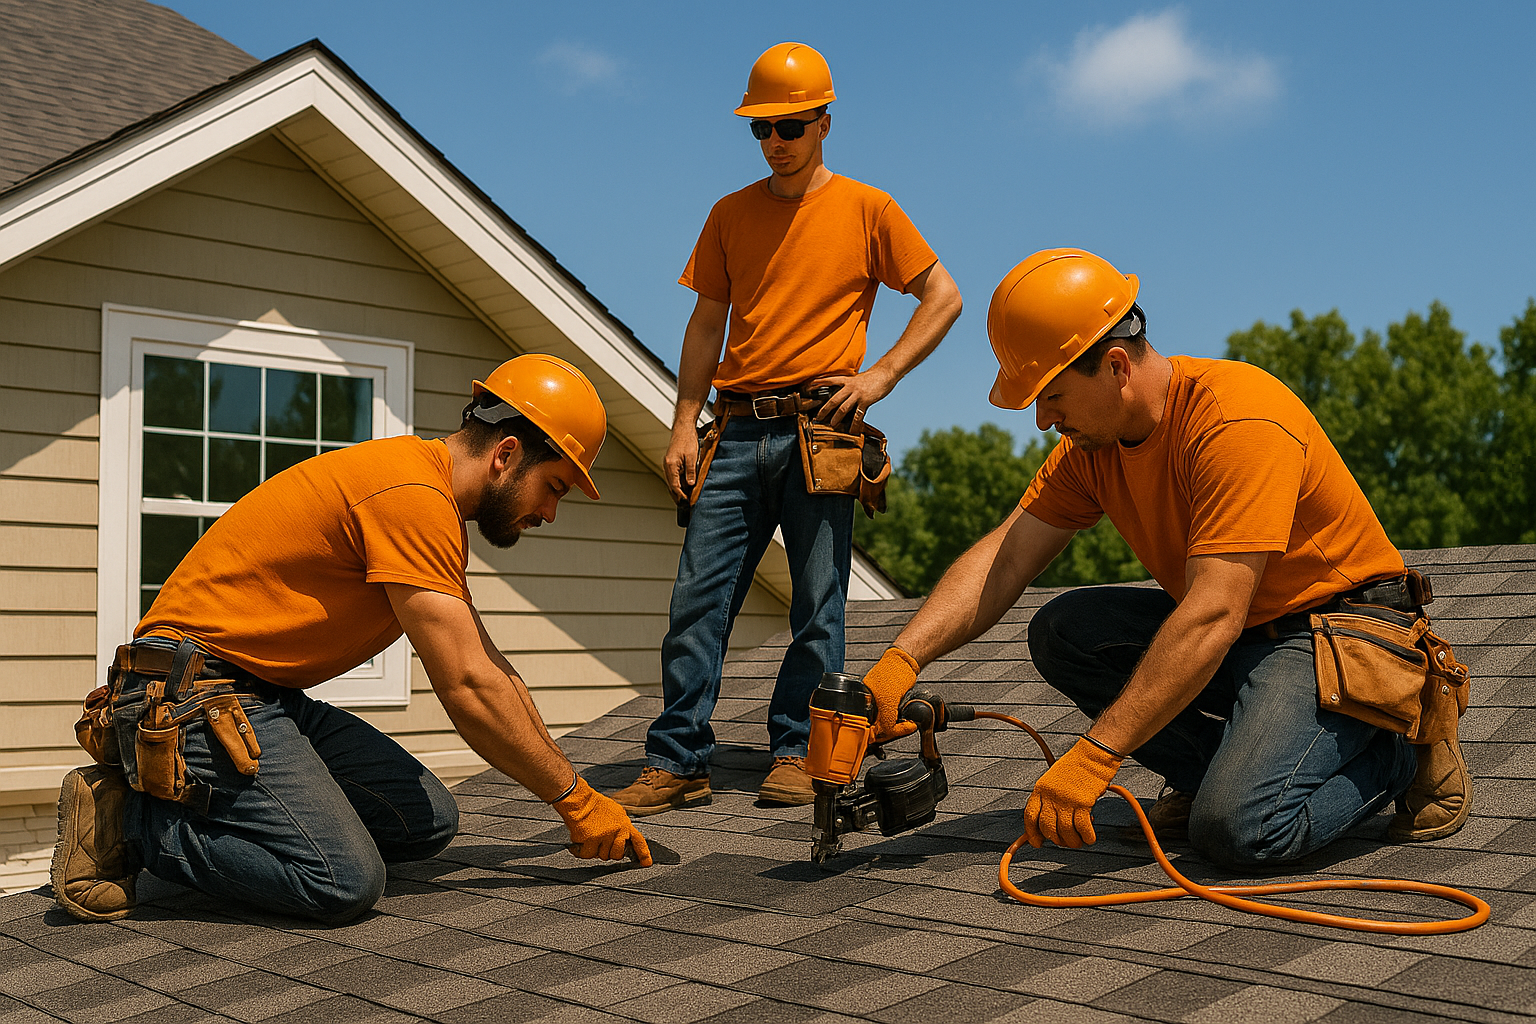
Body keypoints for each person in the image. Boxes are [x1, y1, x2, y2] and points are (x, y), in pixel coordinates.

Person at [859, 248, 1470, 867]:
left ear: (1116, 365)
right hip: (1246, 637)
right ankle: (1229, 772)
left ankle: (1396, 739)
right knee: (1064, 632)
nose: (1043, 420)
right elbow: (1005, 558)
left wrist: (1097, 756)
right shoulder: (1093, 451)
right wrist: (900, 662)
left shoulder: (1237, 420)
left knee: (1242, 830)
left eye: (1052, 395)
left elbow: (1212, 614)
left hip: (1334, 634)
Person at [53, 354, 652, 925]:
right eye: (555, 486)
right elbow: (466, 686)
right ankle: (129, 820)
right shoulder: (411, 497)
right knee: (340, 880)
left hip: (260, 694)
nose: (550, 511)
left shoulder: (426, 497)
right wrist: (574, 802)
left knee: (427, 822)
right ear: (507, 454)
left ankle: (214, 810)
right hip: (187, 691)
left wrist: (579, 786)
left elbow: (487, 666)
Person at [611, 42, 962, 814]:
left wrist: (881, 377)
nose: (776, 141)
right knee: (696, 604)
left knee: (818, 607)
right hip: (733, 431)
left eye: (791, 126)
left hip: (821, 432)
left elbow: (943, 296)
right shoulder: (729, 214)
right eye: (761, 128)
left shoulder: (869, 209)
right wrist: (680, 425)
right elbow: (706, 326)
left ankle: (797, 751)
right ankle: (678, 762)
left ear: (824, 124)